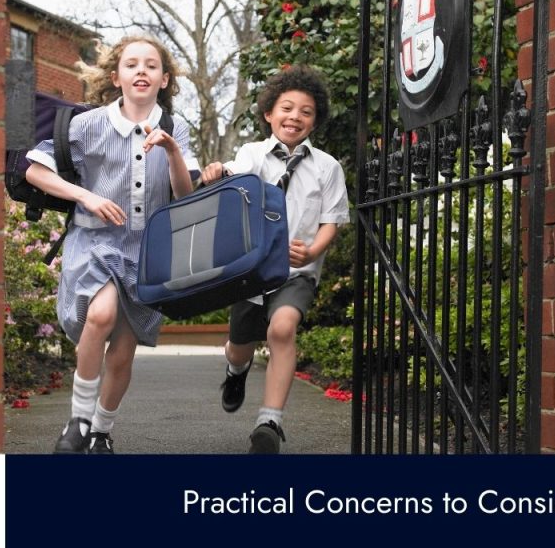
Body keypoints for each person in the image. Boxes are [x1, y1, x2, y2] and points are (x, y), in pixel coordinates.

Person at [24, 35, 195, 454]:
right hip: (95, 243)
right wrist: (86, 195)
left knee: (123, 349)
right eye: (131, 64)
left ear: (164, 79)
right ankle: (78, 421)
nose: (141, 70)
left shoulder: (176, 127)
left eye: (151, 65)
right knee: (99, 315)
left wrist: (172, 150)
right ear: (116, 76)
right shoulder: (88, 124)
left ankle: (101, 430)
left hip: (148, 251)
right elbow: (34, 171)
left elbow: (185, 194)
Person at [201, 65, 350, 453]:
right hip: (251, 267)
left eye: (306, 111)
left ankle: (269, 422)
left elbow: (331, 220)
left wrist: (314, 250)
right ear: (269, 113)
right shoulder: (253, 154)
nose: (295, 117)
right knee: (239, 344)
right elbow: (236, 175)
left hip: (296, 271)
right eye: (287, 108)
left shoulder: (327, 167)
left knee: (283, 328)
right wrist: (218, 171)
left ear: (314, 121)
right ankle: (236, 371)